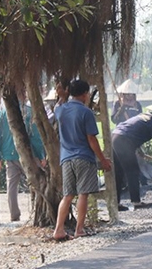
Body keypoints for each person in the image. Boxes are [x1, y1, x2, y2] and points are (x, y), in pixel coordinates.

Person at [52, 78, 112, 241]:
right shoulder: (86, 112)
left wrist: (62, 96)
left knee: (68, 195)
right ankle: (79, 229)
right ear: (85, 94)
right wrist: (103, 160)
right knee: (83, 194)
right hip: (83, 157)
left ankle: (58, 229)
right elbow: (92, 139)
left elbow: (56, 107)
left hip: (66, 158)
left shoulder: (61, 110)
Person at [111, 101, 152, 210]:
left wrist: (138, 149)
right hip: (124, 140)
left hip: (115, 137)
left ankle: (115, 204)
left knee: (119, 172)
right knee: (133, 171)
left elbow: (133, 132)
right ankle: (136, 202)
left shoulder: (143, 117)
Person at [0, 98, 46, 222]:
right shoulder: (28, 111)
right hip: (27, 154)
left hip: (9, 155)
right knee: (38, 182)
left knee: (11, 186)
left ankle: (14, 215)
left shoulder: (1, 114)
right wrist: (41, 155)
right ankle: (37, 212)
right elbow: (35, 137)